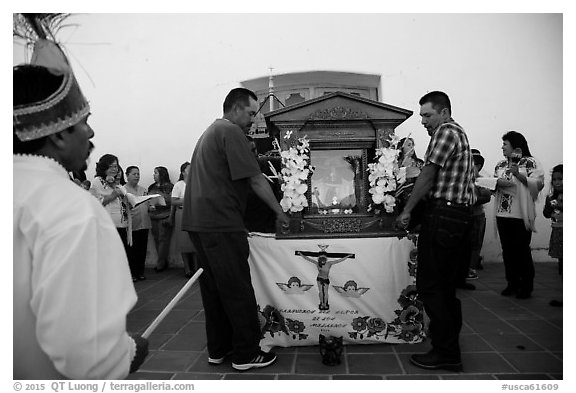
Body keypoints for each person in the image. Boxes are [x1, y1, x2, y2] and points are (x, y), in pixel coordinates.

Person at [13, 63, 148, 379]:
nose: (91, 132)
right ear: (59, 133)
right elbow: (89, 359)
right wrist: (128, 353)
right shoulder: (73, 209)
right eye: (84, 122)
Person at [182, 87, 290, 371]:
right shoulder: (231, 132)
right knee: (237, 289)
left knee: (215, 290)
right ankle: (245, 353)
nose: (254, 120)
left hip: (200, 223)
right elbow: (255, 180)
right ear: (236, 108)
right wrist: (279, 212)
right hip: (221, 223)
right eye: (251, 113)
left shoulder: (210, 131)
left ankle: (219, 349)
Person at [395, 91, 476, 372]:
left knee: (432, 286)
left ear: (444, 112)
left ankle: (446, 351)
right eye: (421, 116)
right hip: (457, 217)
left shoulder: (445, 132)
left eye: (427, 115)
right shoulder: (458, 133)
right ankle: (447, 341)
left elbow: (428, 174)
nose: (423, 121)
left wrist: (407, 210)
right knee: (446, 286)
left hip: (443, 216)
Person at [493, 131, 544, 299]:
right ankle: (512, 283)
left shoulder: (530, 162)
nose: (502, 147)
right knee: (507, 251)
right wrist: (493, 183)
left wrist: (518, 175)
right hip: (502, 213)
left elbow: (538, 185)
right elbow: (494, 183)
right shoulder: (500, 164)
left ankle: (526, 285)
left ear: (515, 146)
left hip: (521, 214)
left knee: (521, 250)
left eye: (505, 144)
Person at [90, 154, 132, 273]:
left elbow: (122, 202)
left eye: (116, 166)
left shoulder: (117, 184)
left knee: (121, 256)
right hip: (107, 225)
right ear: (104, 167)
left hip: (121, 224)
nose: (115, 169)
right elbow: (94, 203)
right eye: (112, 166)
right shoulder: (97, 182)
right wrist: (113, 195)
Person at [457, 150, 492, 289]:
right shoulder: (460, 179)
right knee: (463, 243)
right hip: (463, 216)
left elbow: (487, 196)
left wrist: (470, 199)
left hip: (477, 215)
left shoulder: (482, 180)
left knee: (476, 242)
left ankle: (471, 268)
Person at [125, 165, 152, 281]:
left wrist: (151, 206)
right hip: (132, 224)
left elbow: (148, 203)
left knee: (142, 249)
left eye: (138, 174)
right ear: (127, 176)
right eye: (134, 174)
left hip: (144, 223)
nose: (137, 176)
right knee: (132, 250)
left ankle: (140, 272)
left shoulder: (143, 189)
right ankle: (132, 273)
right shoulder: (123, 190)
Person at [171, 162, 197, 278]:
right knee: (184, 242)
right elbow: (174, 201)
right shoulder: (179, 185)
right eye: (188, 169)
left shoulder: (197, 182)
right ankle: (187, 268)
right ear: (183, 172)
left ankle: (197, 268)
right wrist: (188, 200)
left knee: (195, 241)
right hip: (181, 213)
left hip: (195, 213)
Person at [543, 164, 563, 307]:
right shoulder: (551, 196)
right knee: (562, 267)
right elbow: (545, 214)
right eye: (555, 179)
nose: (557, 182)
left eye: (561, 179)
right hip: (557, 232)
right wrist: (550, 205)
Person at [148, 166, 174, 272]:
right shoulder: (151, 187)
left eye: (156, 173)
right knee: (156, 239)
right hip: (153, 215)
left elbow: (172, 202)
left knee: (163, 240)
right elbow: (147, 199)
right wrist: (150, 205)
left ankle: (160, 263)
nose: (154, 175)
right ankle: (162, 260)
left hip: (165, 215)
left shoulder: (170, 187)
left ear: (162, 174)